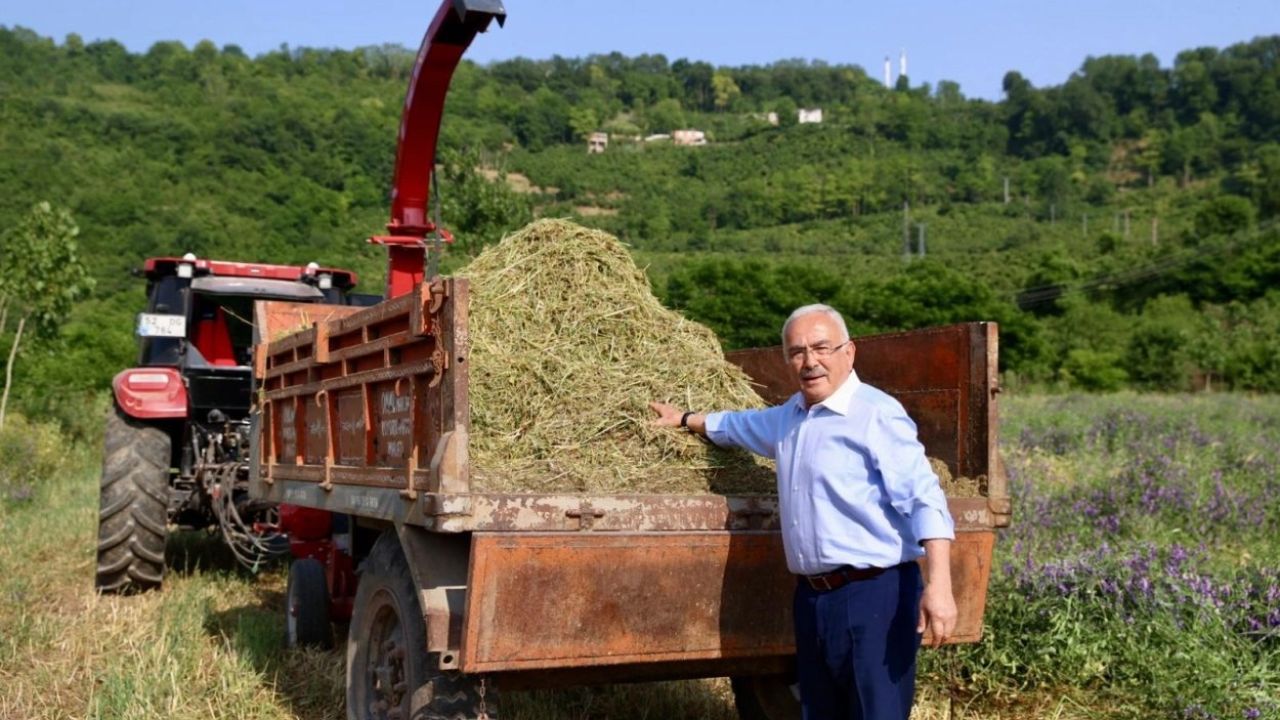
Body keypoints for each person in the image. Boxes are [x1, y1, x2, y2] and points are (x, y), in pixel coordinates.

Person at [650, 303, 957, 720]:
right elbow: (736, 425)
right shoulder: (789, 418)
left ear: (848, 353)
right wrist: (686, 419)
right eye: (797, 352)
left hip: (874, 594)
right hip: (813, 599)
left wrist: (938, 586)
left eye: (821, 348)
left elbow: (924, 498)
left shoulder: (875, 414)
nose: (809, 361)